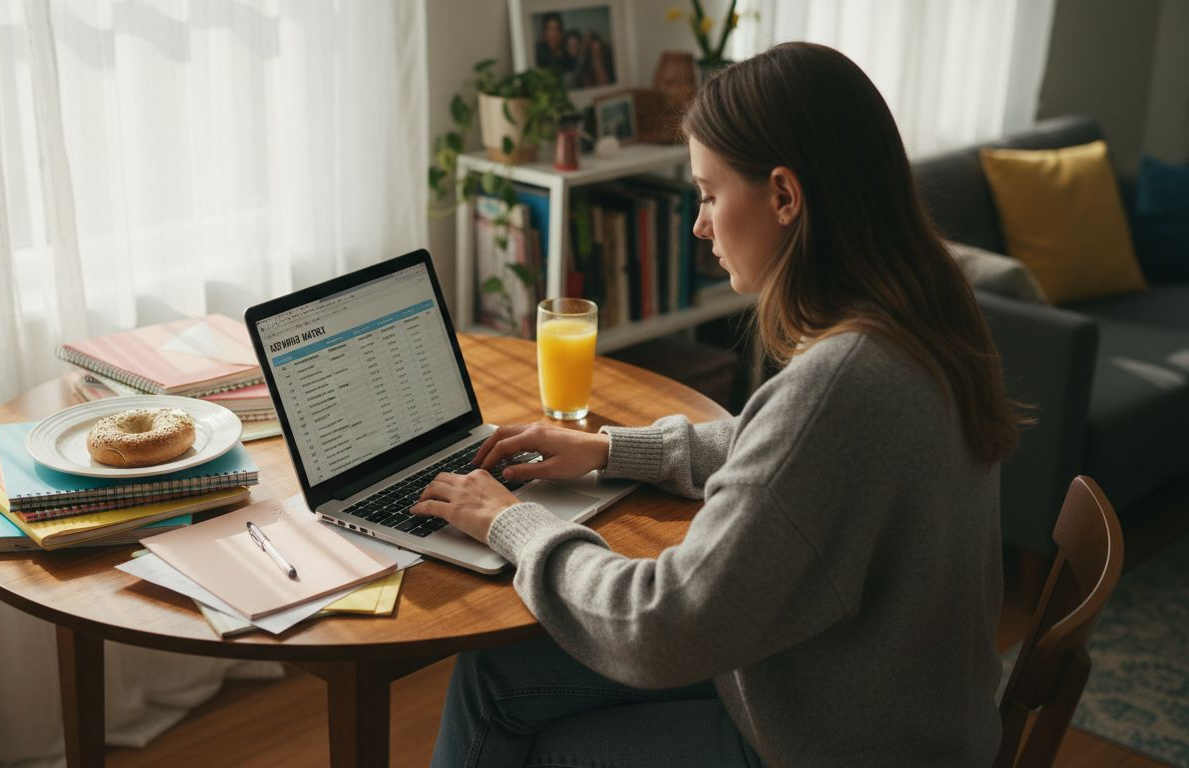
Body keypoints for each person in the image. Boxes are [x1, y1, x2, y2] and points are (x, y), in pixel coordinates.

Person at [414, 42, 1017, 767]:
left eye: (707, 193)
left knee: (553, 745)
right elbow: (784, 458)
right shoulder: (921, 313)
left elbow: (662, 625)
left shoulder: (841, 385)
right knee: (496, 675)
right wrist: (611, 451)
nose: (699, 225)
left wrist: (512, 525)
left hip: (835, 742)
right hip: (869, 698)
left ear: (785, 196)